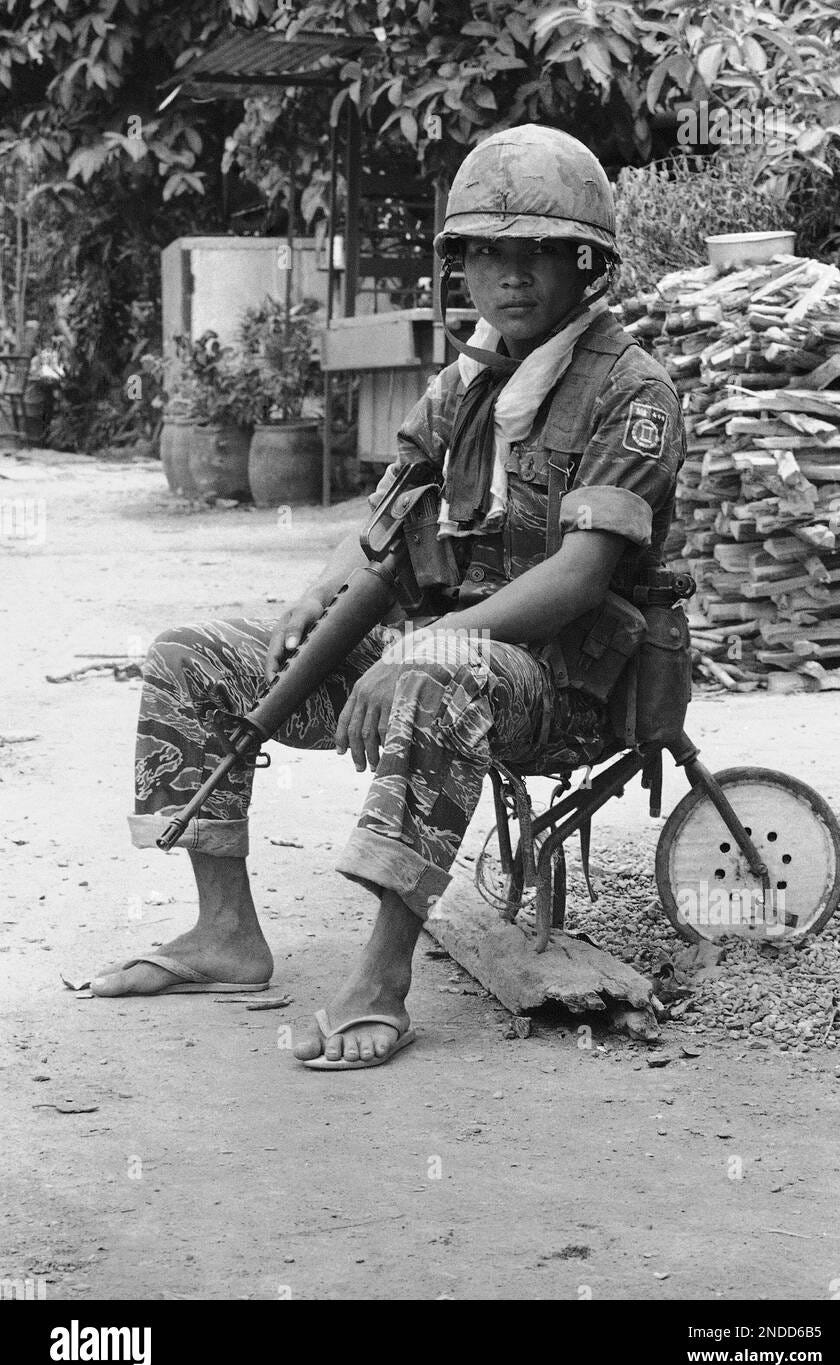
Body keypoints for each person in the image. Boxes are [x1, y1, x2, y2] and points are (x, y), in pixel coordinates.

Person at [87, 124, 685, 1071]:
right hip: (440, 648)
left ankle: (380, 978)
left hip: (561, 688)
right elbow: (387, 510)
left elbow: (579, 576)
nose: (511, 276)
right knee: (189, 657)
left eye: (537, 253)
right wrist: (316, 597)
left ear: (587, 265)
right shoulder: (468, 383)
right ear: (463, 267)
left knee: (435, 675)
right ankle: (225, 934)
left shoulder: (632, 393)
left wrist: (425, 645)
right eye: (488, 253)